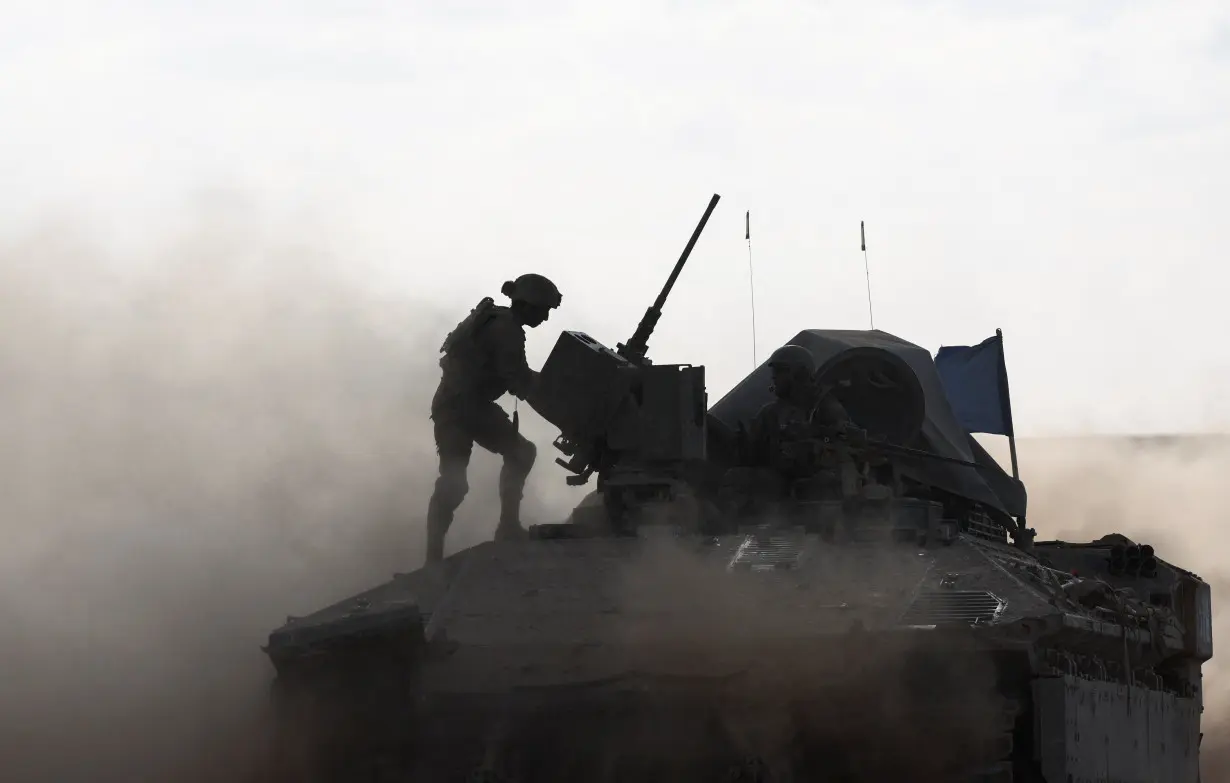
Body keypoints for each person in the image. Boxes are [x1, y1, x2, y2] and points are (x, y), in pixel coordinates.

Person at [424, 273, 562, 563]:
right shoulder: (506, 330)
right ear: (529, 305)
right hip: (459, 408)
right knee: (455, 481)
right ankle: (435, 557)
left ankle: (505, 528)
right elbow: (520, 380)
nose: (546, 318)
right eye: (544, 310)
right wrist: (563, 401)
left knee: (520, 453)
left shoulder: (496, 320)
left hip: (467, 405)